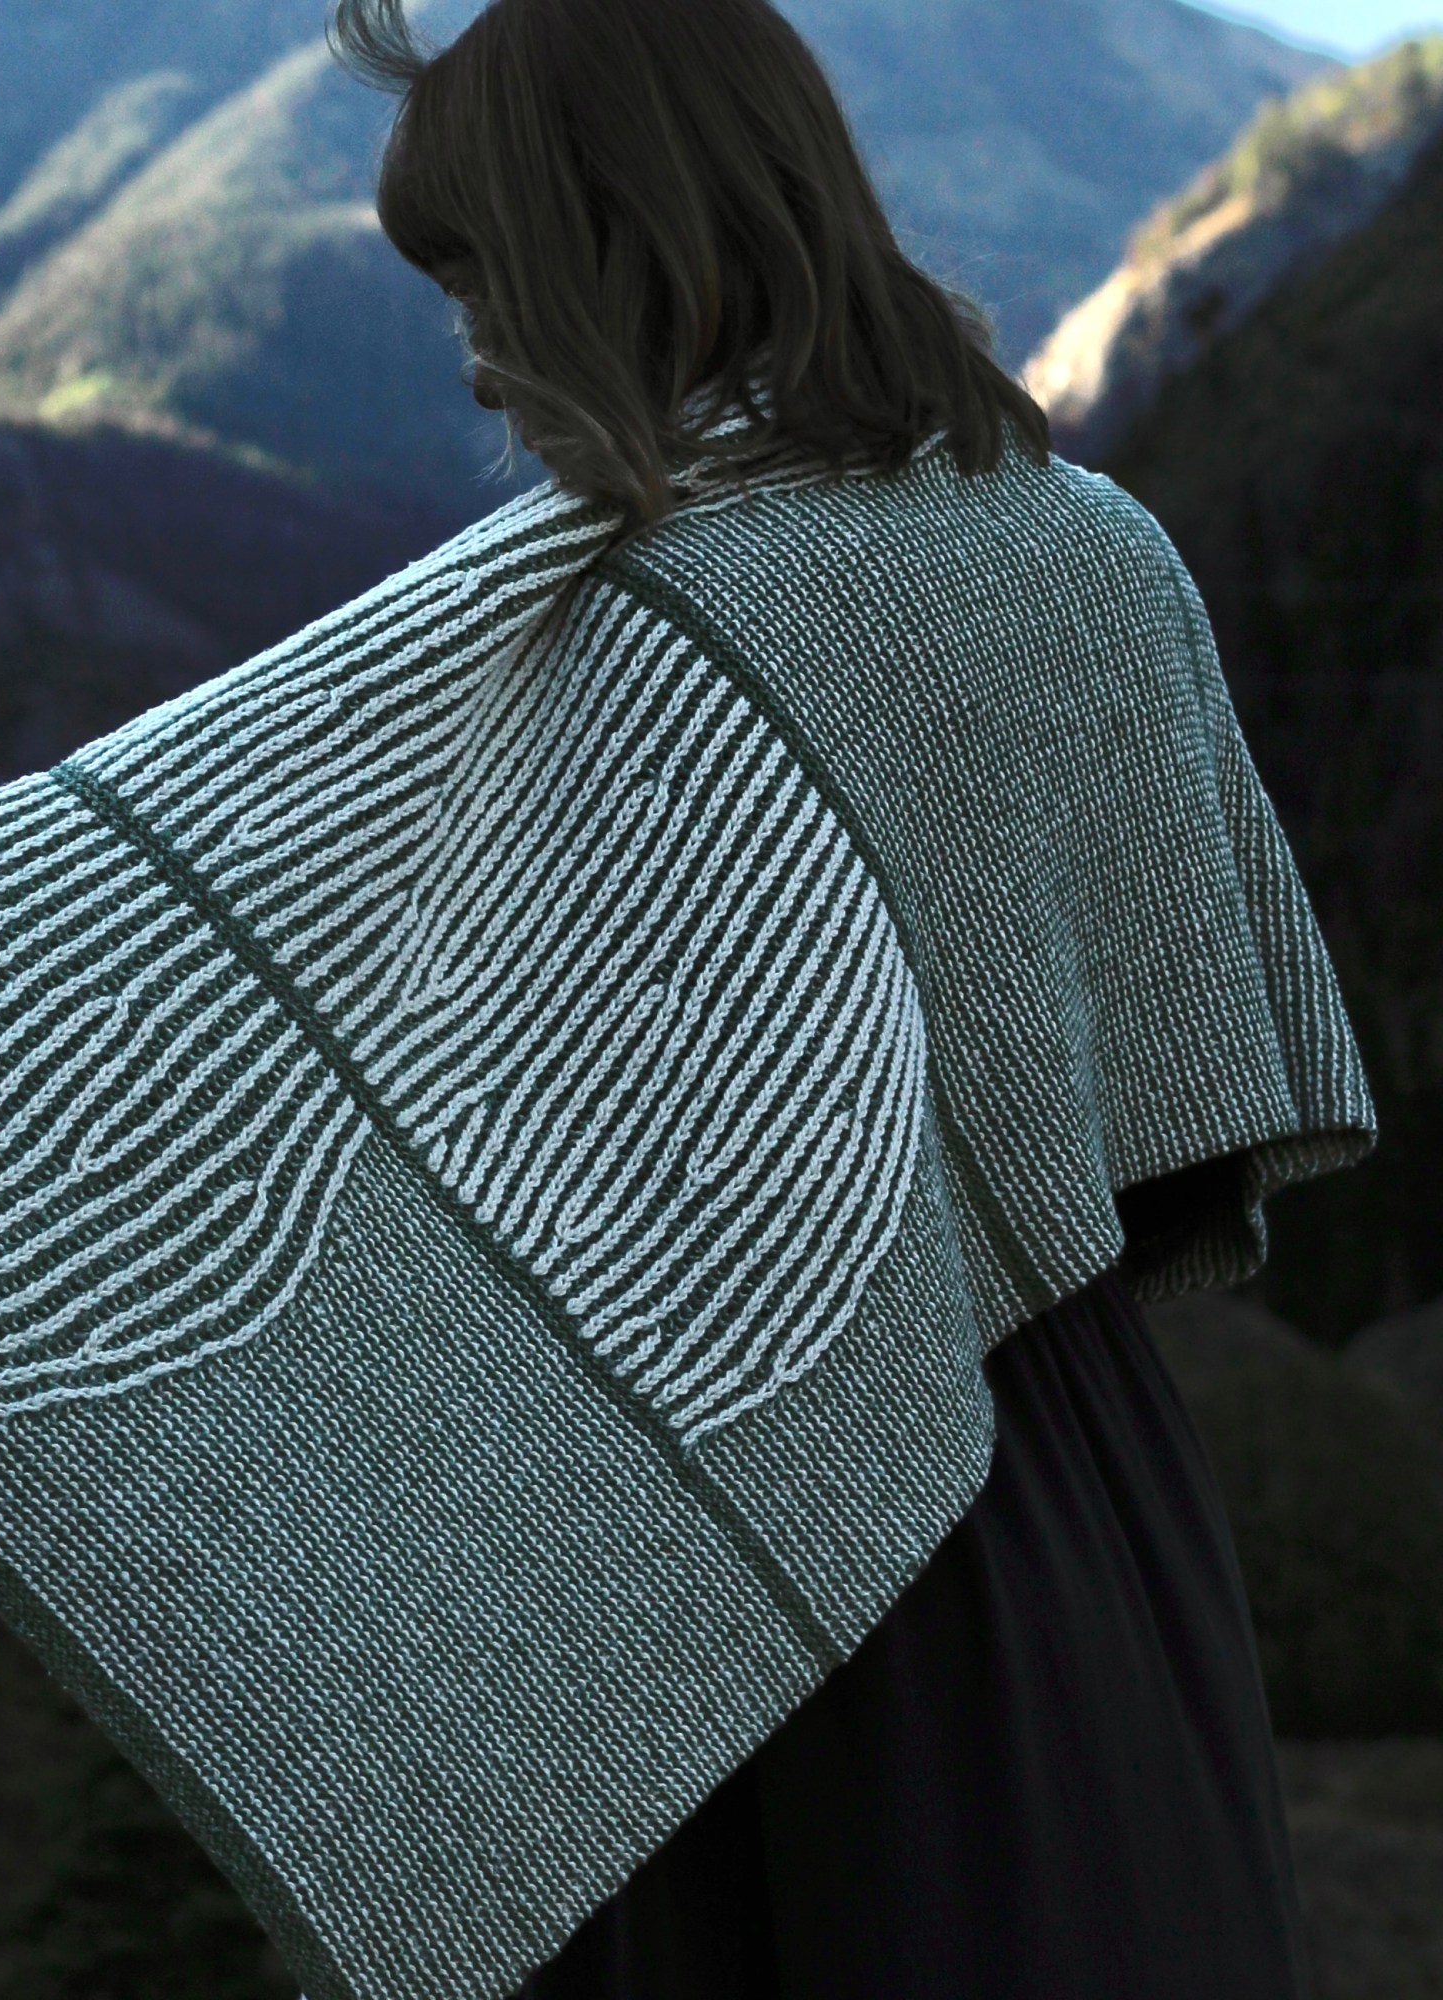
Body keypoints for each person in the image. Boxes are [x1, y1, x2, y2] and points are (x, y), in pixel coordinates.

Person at [318, 1, 1322, 1992]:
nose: (471, 338)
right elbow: (1161, 1142)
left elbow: (502, 1198)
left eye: (493, 267)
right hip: (1065, 1519)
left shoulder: (563, 640)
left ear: (635, 234)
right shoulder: (1092, 548)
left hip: (660, 1549)